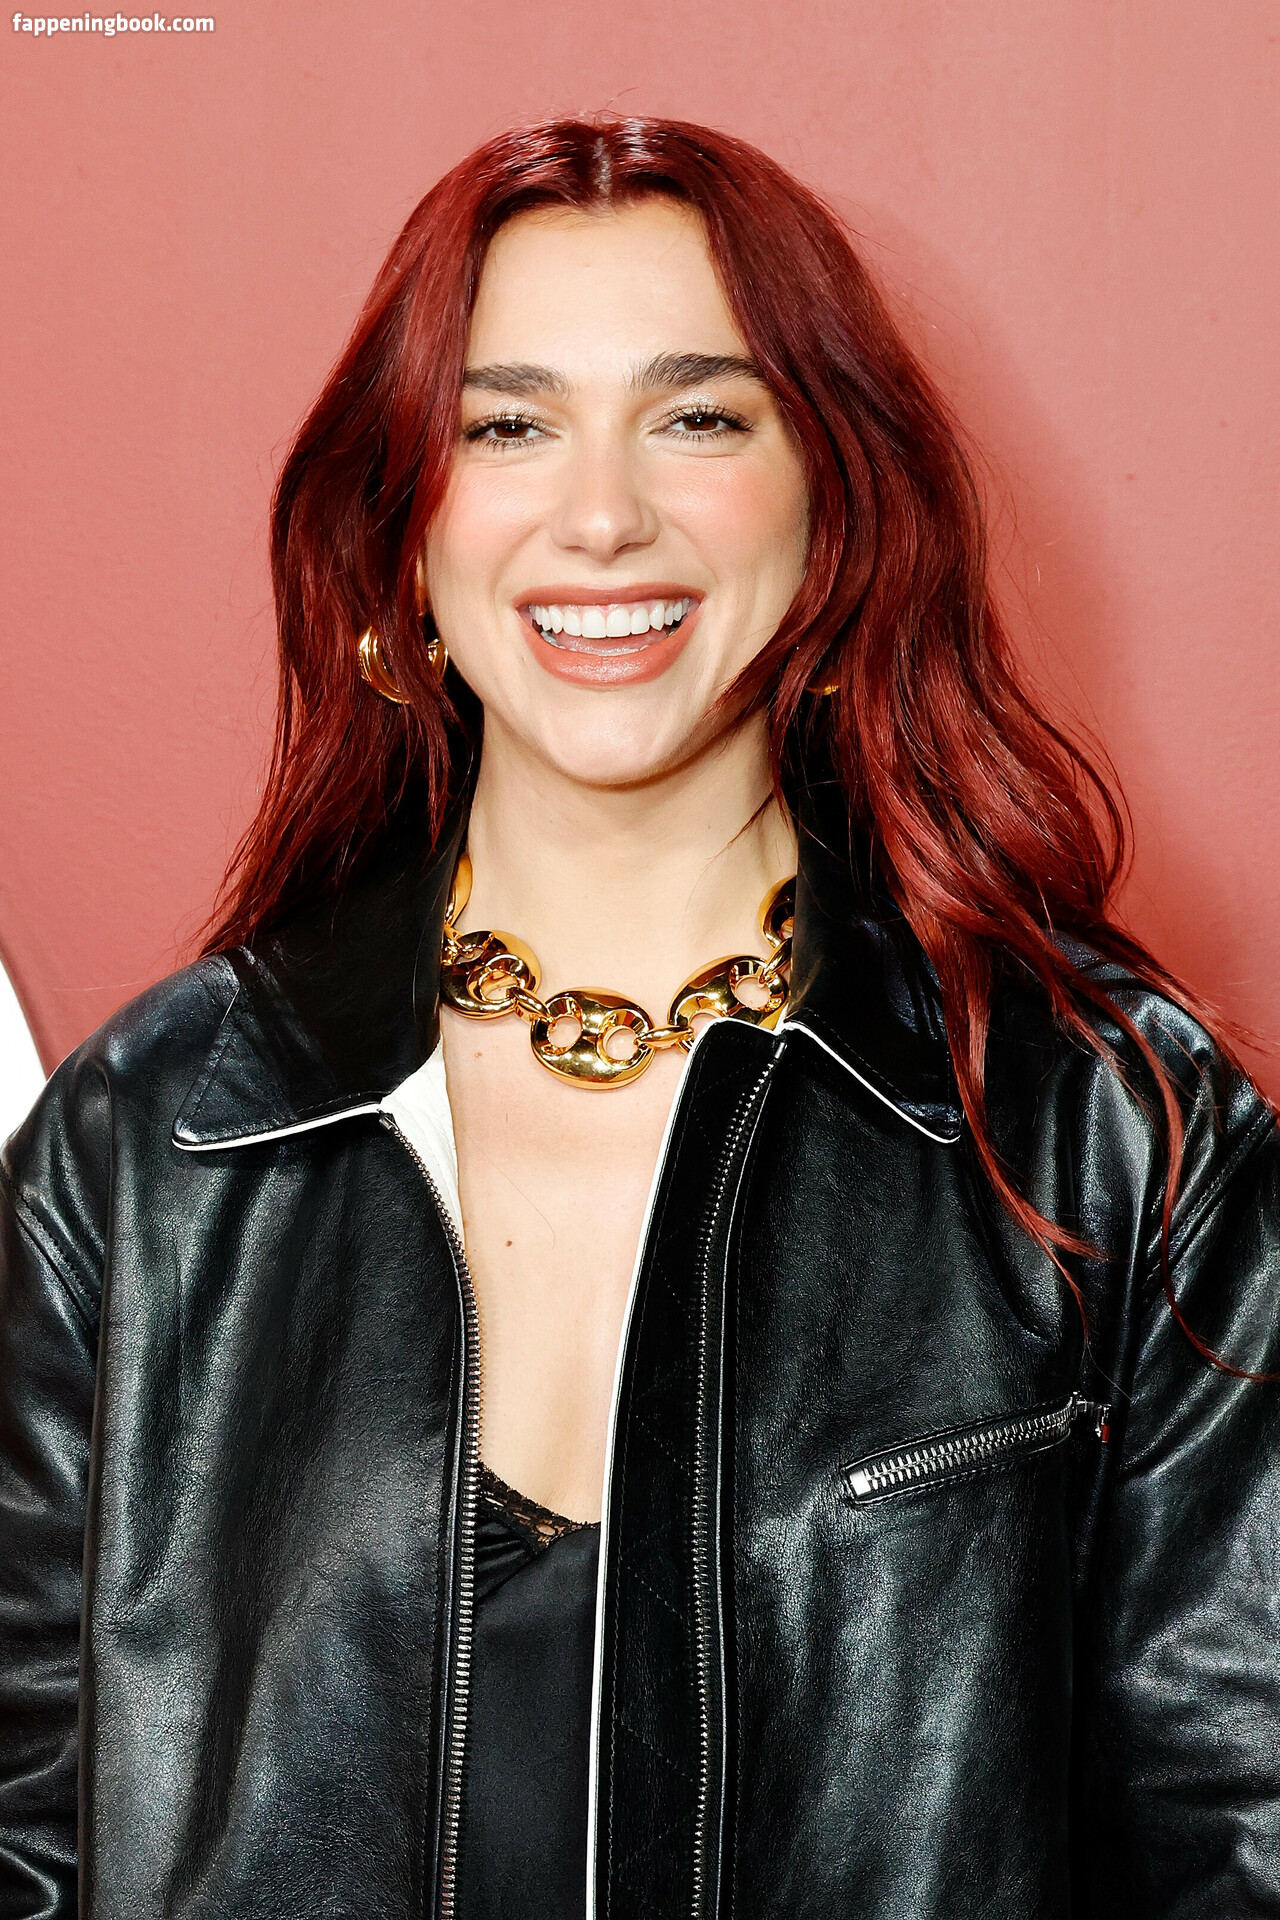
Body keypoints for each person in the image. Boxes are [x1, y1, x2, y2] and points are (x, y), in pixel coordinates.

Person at [1, 115, 1277, 1920]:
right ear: (401, 533)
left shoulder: (1107, 1124)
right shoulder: (149, 1140)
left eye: (698, 418)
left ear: (837, 503)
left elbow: (1241, 1837)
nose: (601, 515)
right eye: (505, 427)